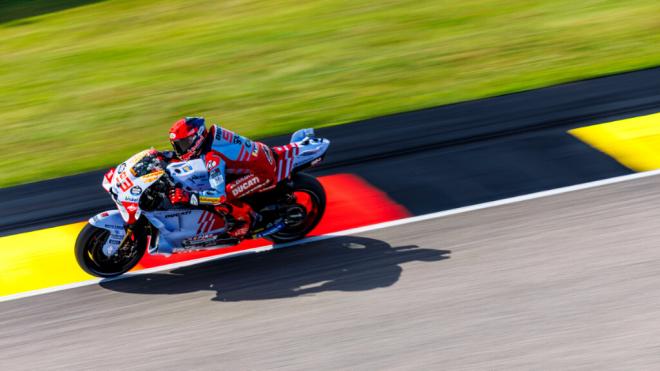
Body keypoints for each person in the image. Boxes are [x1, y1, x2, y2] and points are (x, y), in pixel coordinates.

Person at [167, 117, 278, 238]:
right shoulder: (211, 136)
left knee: (224, 194)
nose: (180, 150)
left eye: (183, 144)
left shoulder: (213, 157)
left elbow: (218, 196)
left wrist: (189, 197)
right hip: (259, 155)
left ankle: (246, 221)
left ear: (197, 138)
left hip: (261, 172)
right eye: (177, 146)